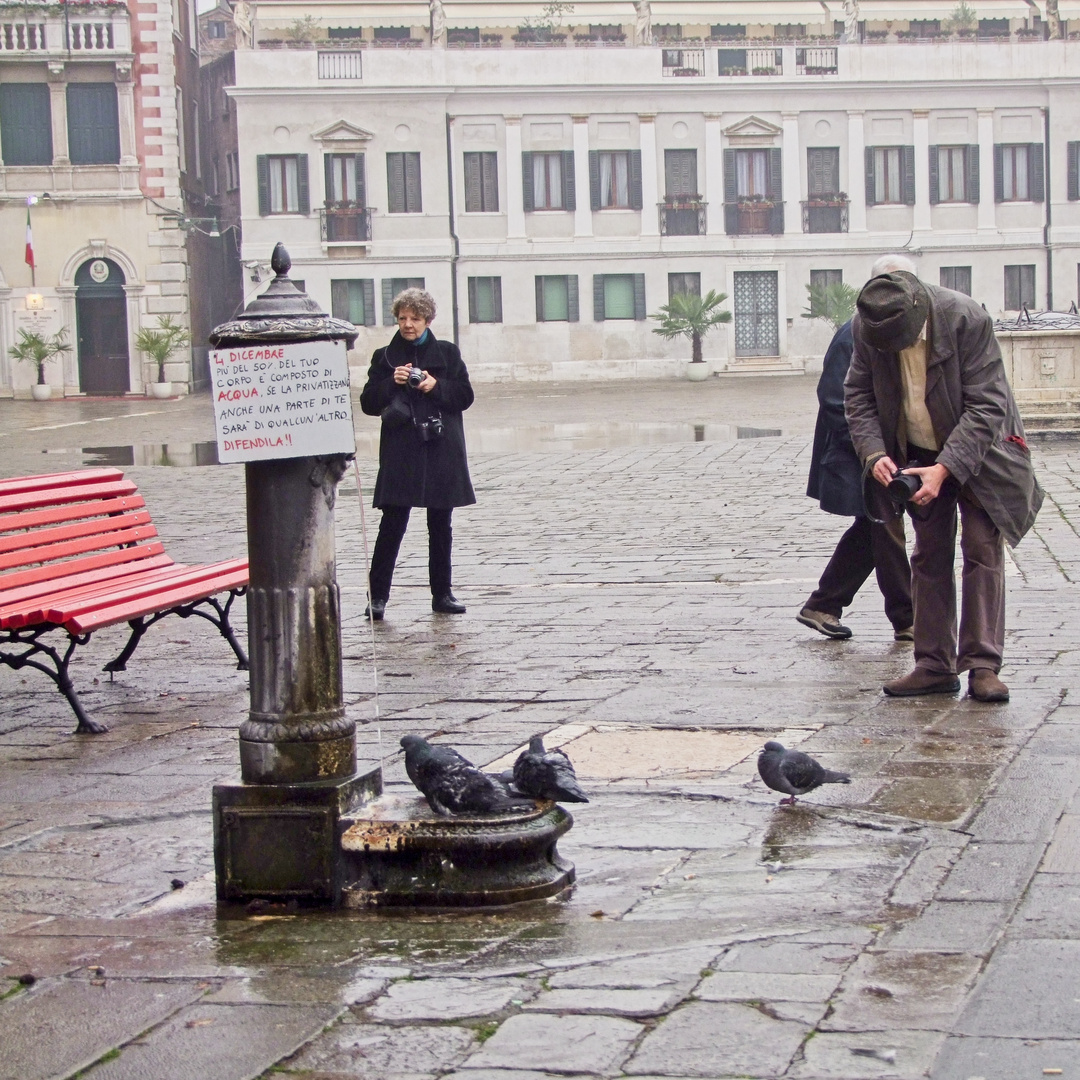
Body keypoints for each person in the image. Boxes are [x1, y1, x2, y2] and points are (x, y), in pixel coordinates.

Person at [845, 270, 1044, 702]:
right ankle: (933, 664)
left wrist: (947, 467)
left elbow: (989, 404)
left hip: (982, 452)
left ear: (918, 314)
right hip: (917, 452)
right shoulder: (869, 324)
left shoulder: (965, 318)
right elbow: (857, 395)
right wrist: (875, 454)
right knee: (929, 554)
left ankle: (983, 665)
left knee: (981, 548)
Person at [797, 257, 914, 642]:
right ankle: (907, 619)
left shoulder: (891, 331)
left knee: (873, 530)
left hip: (877, 454)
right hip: (860, 457)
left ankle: (824, 603)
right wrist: (872, 452)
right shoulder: (852, 334)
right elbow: (834, 400)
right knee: (884, 529)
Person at [358, 289, 475, 620]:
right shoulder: (384, 357)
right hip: (401, 451)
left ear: (428, 320)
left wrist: (434, 386)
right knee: (392, 524)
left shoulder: (448, 355)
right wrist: (392, 383)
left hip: (440, 448)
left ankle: (443, 594)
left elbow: (465, 396)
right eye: (403, 318)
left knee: (441, 525)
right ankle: (377, 597)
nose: (408, 325)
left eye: (415, 319)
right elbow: (368, 403)